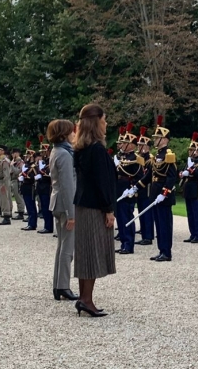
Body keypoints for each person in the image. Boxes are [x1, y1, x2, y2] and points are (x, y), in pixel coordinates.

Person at [71, 104, 116, 317]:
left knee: (86, 252)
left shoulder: (81, 148)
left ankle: (83, 298)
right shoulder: (96, 150)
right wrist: (109, 209)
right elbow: (102, 182)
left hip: (83, 205)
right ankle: (87, 300)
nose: (106, 123)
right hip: (94, 207)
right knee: (93, 252)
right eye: (104, 119)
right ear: (96, 122)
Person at [46, 119, 80, 301]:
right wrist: (72, 214)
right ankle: (63, 286)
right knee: (67, 248)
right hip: (65, 204)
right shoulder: (65, 154)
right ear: (64, 134)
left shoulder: (58, 151)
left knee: (62, 247)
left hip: (57, 202)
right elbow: (68, 186)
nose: (74, 134)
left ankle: (58, 285)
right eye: (71, 132)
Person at [148, 115, 178, 262]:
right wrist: (136, 187)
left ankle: (167, 252)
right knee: (158, 224)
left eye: (157, 137)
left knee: (165, 224)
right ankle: (161, 250)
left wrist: (164, 193)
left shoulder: (168, 155)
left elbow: (172, 177)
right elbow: (150, 175)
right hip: (155, 194)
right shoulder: (157, 155)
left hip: (163, 196)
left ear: (164, 139)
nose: (155, 140)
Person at [113, 123, 140, 254]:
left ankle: (129, 244)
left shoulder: (136, 158)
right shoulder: (121, 157)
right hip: (118, 190)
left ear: (131, 145)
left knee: (127, 217)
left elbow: (137, 175)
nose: (122, 145)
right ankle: (124, 242)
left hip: (127, 190)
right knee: (120, 217)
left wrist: (118, 165)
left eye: (124, 142)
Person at [181, 132, 198, 244]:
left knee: (197, 213)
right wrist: (182, 173)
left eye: (192, 150)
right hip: (188, 189)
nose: (190, 152)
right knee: (190, 213)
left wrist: (191, 170)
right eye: (189, 150)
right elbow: (184, 171)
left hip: (197, 189)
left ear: (197, 151)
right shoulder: (189, 162)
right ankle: (192, 234)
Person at [133, 127, 155, 245]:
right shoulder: (139, 158)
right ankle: (144, 233)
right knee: (141, 211)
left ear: (147, 147)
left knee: (147, 213)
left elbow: (147, 175)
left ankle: (148, 236)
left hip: (147, 189)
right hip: (141, 189)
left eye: (142, 145)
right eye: (139, 145)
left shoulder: (150, 160)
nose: (139, 147)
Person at [36, 145, 55, 235]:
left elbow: (51, 174)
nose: (42, 153)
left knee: (47, 207)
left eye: (44, 151)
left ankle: (49, 226)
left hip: (47, 185)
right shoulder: (43, 162)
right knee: (43, 207)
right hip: (41, 185)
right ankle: (46, 226)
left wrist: (44, 173)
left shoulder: (50, 161)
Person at [20, 149, 40, 231]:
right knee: (28, 206)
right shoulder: (27, 165)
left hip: (30, 187)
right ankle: (30, 223)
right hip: (25, 187)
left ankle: (32, 224)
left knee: (31, 206)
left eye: (28, 156)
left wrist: (26, 178)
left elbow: (34, 177)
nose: (27, 157)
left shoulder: (33, 166)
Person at [10, 148, 26, 222]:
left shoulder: (20, 162)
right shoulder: (14, 162)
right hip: (13, 180)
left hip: (17, 180)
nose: (12, 155)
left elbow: (17, 172)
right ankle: (20, 211)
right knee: (16, 197)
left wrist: (12, 166)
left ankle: (21, 212)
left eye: (14, 153)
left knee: (19, 197)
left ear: (17, 153)